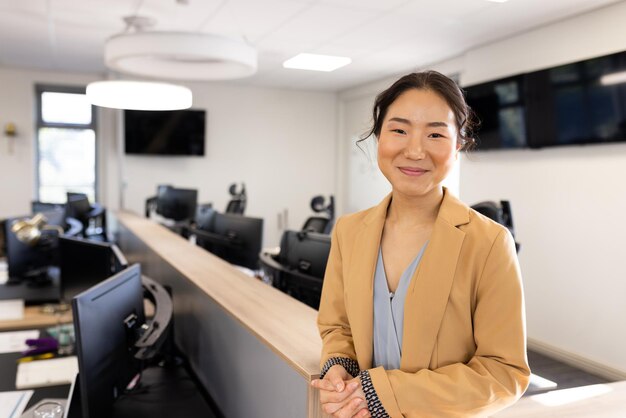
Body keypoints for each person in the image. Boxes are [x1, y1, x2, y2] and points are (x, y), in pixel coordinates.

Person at [311, 71, 530, 418]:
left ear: (458, 144)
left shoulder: (489, 242)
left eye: (435, 134)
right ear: (378, 137)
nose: (414, 150)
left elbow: (504, 373)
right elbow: (338, 326)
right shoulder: (349, 230)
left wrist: (384, 392)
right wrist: (338, 363)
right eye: (398, 130)